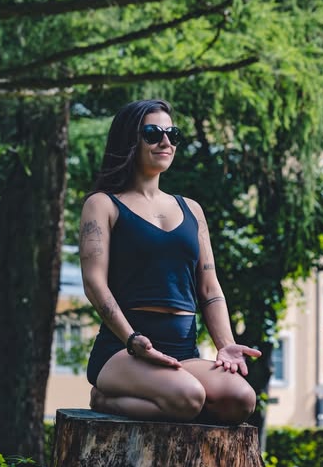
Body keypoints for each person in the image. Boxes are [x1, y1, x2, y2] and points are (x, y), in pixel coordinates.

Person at [78, 99, 261, 425]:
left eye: (172, 134)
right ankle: (104, 398)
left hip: (182, 352)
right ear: (129, 140)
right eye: (153, 133)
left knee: (241, 400)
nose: (166, 142)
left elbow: (210, 288)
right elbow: (94, 283)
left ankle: (169, 400)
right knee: (187, 398)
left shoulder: (192, 209)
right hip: (123, 351)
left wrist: (226, 345)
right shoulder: (103, 205)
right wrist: (132, 339)